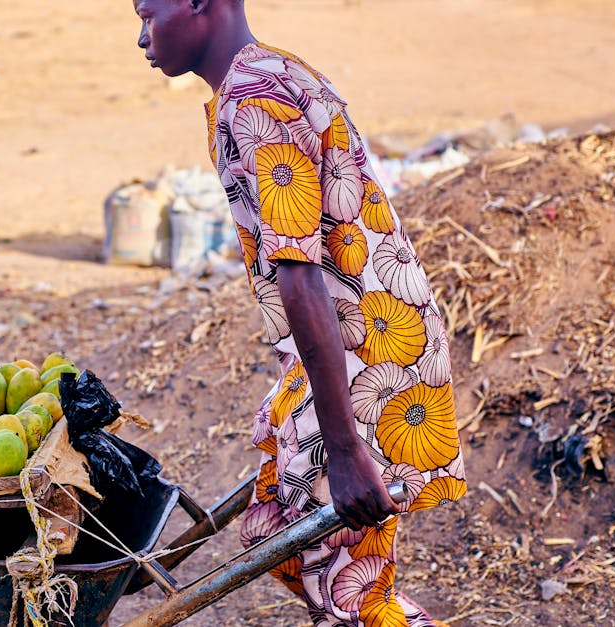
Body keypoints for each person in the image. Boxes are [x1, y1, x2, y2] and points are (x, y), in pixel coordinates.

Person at [131, 1, 466, 625]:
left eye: (149, 15)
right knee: (275, 531)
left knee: (347, 591)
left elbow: (300, 272)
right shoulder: (265, 74)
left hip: (368, 352)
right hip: (359, 337)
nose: (141, 38)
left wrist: (343, 448)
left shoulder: (256, 100)